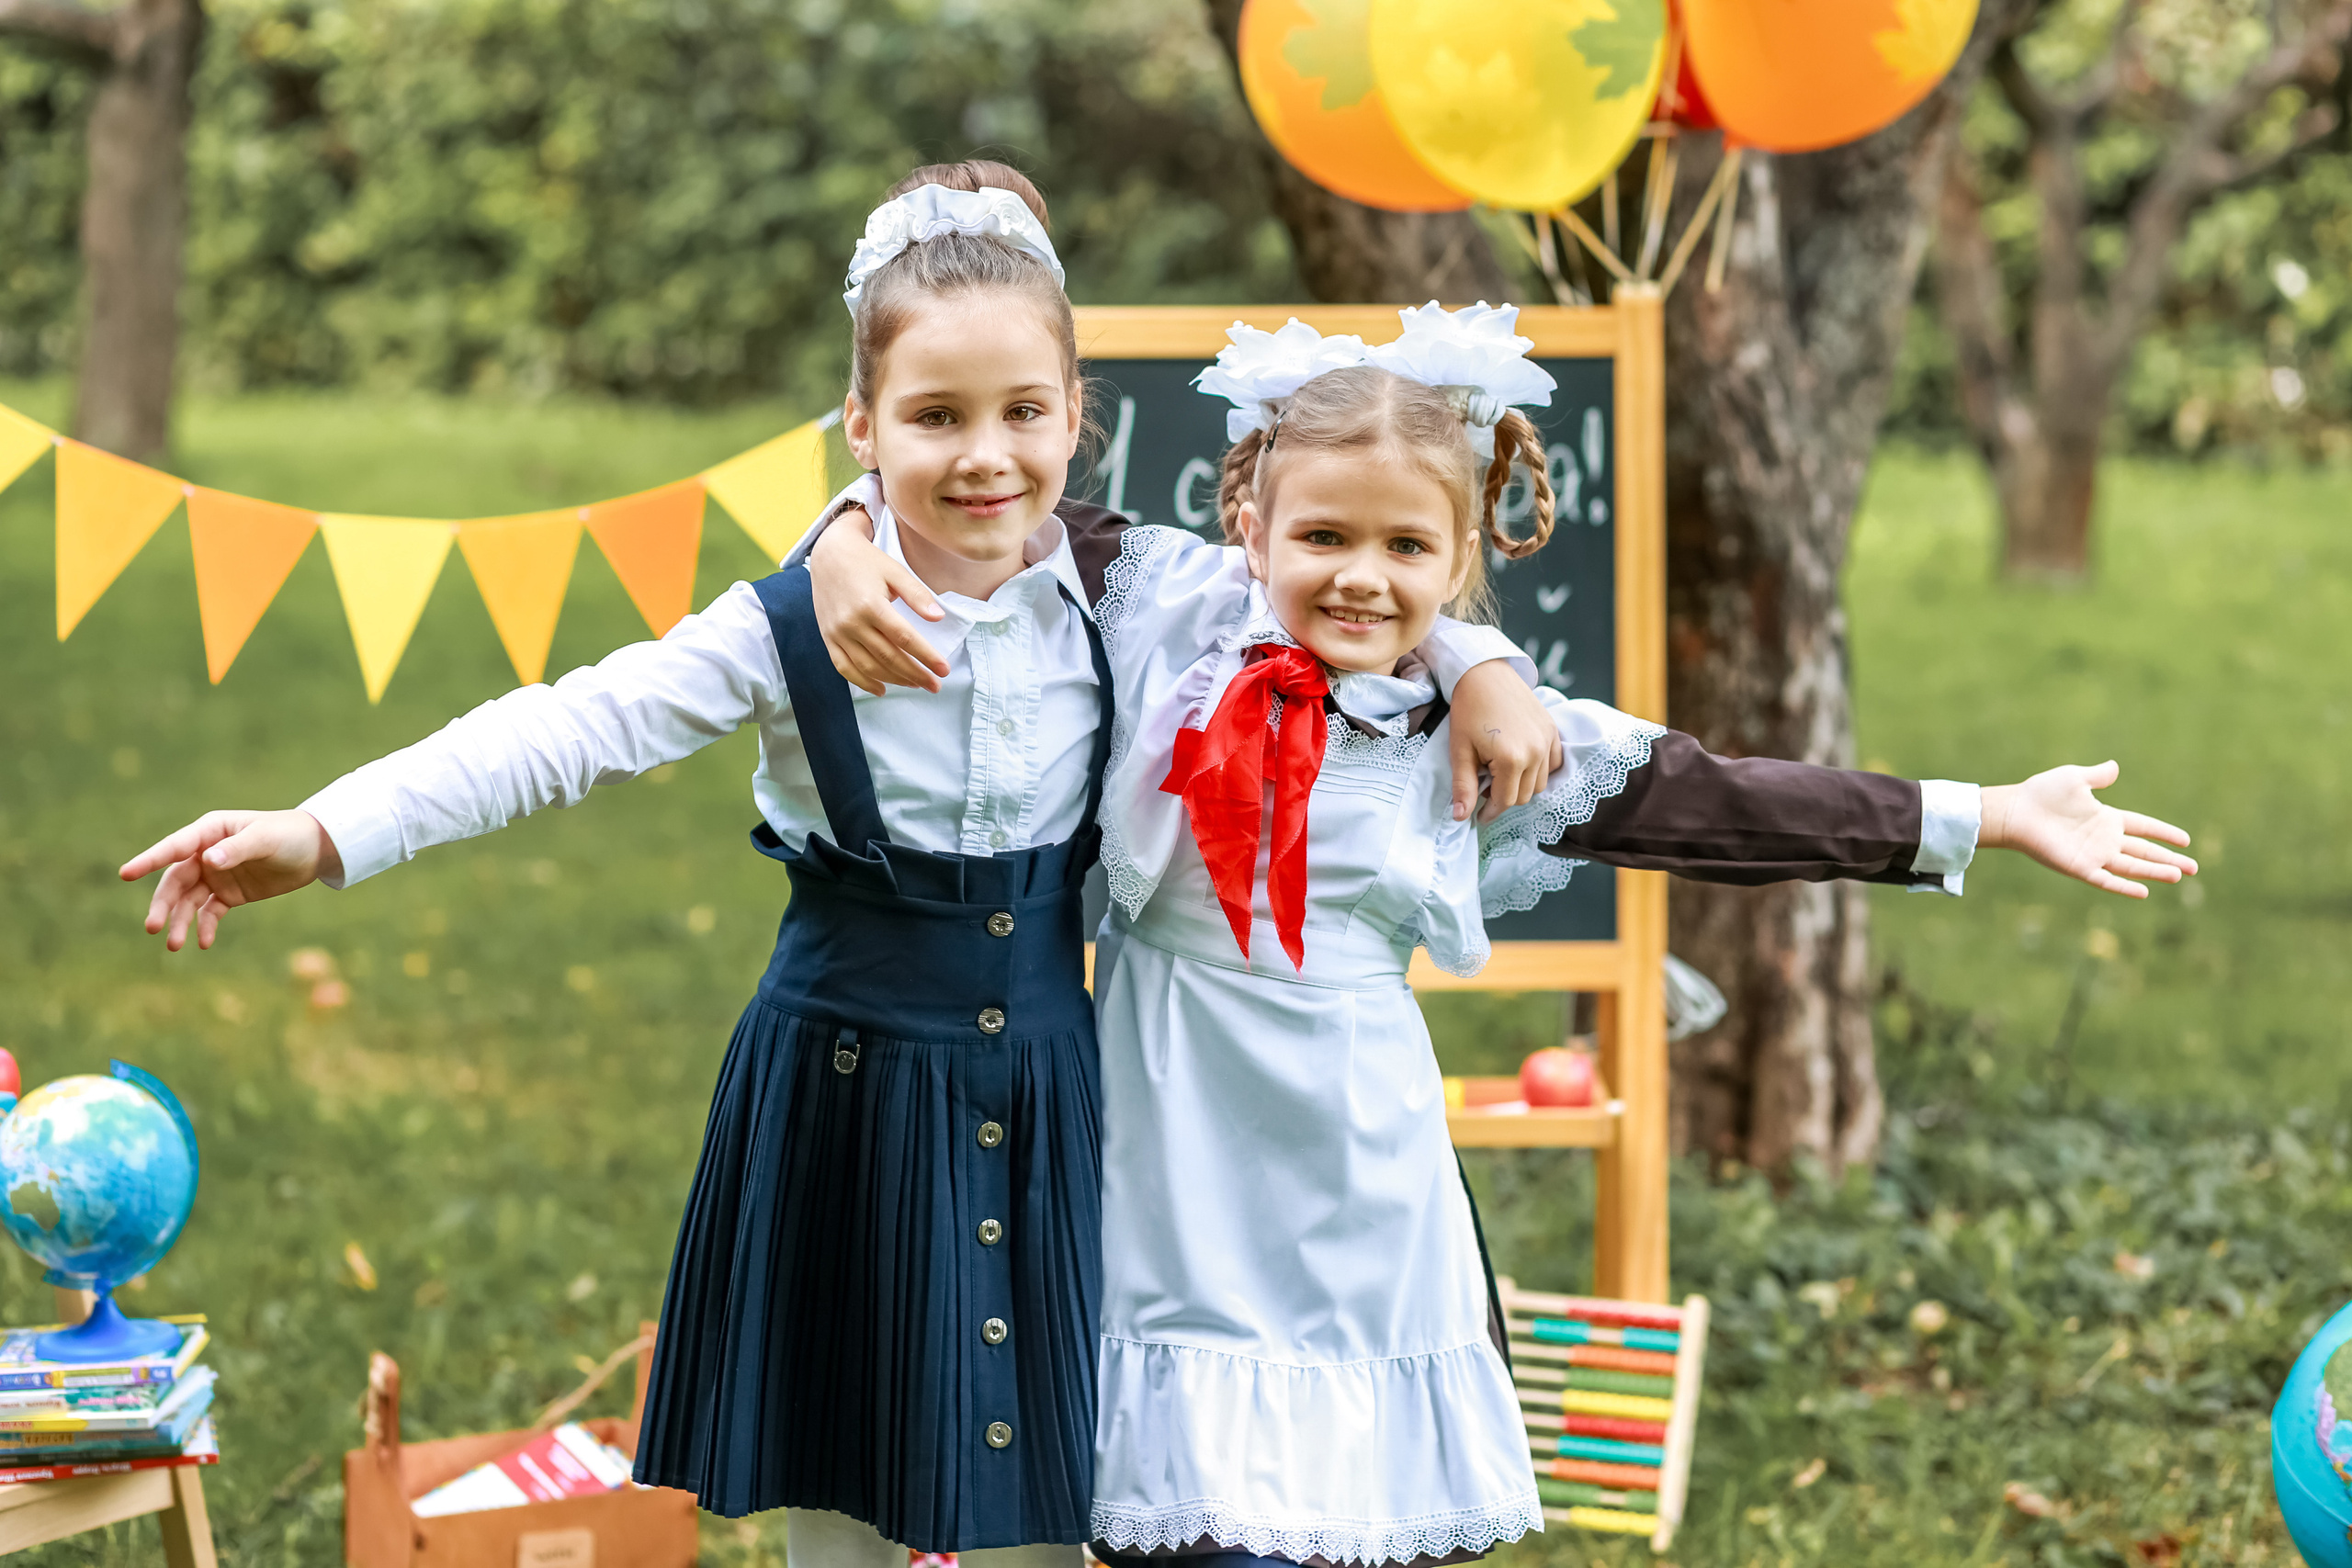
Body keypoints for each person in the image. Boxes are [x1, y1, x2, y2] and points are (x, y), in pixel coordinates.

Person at [114, 168, 1561, 1567]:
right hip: (846, 1077)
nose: (983, 455)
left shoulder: (1146, 597)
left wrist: (1482, 658)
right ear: (860, 422)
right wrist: (321, 833)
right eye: (933, 417)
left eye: (1022, 414)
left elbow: (1351, 567)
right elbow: (569, 729)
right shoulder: (785, 623)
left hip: (1050, 1085)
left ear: (1078, 422)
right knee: (847, 1475)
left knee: (1045, 1472)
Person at [806, 304, 2199, 1565]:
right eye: (1324, 539)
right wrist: (841, 543)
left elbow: (1711, 802)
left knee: (1357, 1524)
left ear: (1463, 556)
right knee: (1190, 1526)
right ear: (1252, 523)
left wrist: (1983, 815)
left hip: (1351, 1171)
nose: (1361, 578)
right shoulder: (1160, 615)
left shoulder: (1465, 741)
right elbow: (984, 502)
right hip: (1161, 1163)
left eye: (1409, 548)